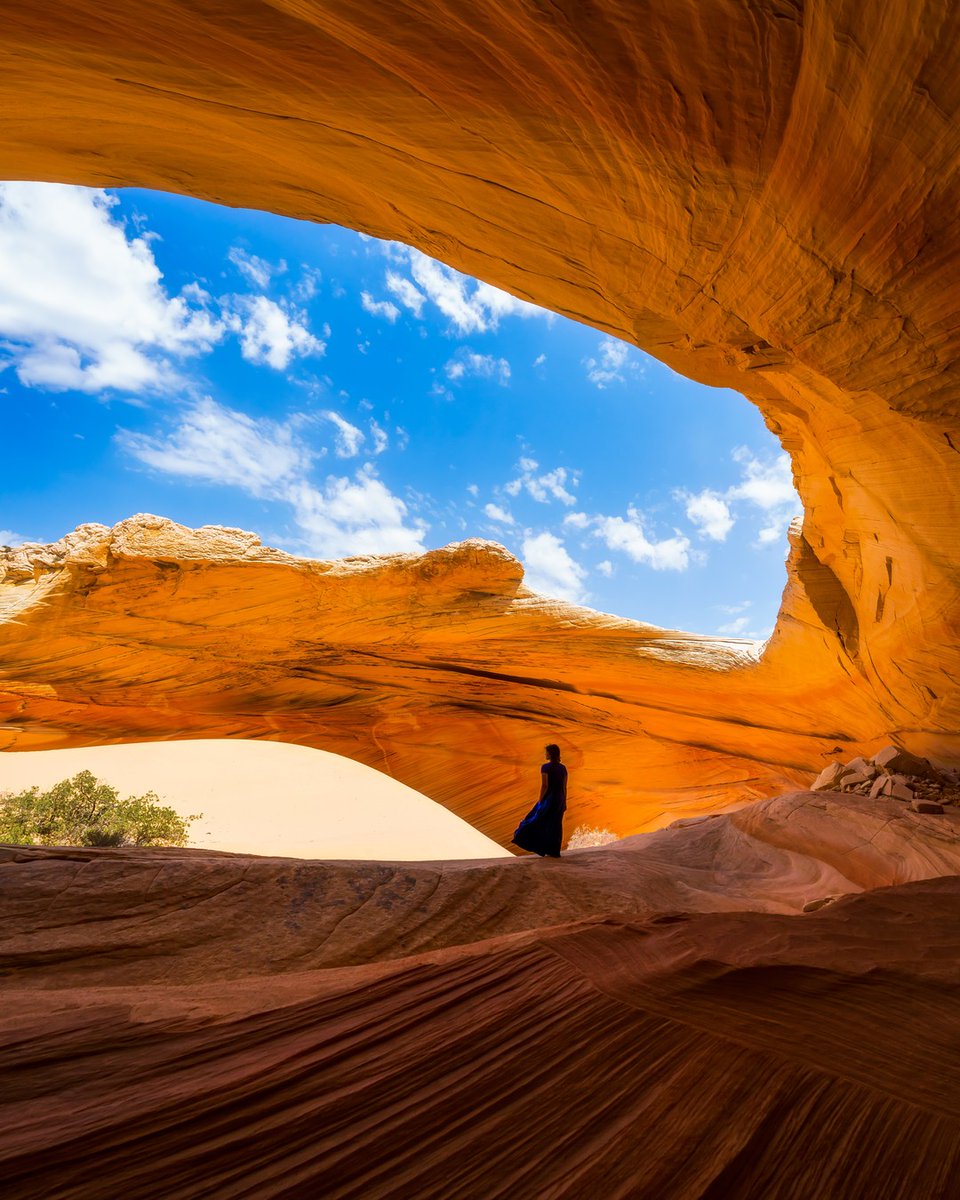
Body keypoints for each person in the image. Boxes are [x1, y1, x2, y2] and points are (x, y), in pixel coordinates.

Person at [512, 743, 567, 858]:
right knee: (556, 824)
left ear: (550, 754)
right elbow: (564, 786)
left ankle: (538, 846)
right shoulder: (563, 768)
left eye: (546, 752)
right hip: (560, 798)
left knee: (536, 820)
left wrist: (540, 801)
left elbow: (545, 785)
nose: (545, 754)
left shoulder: (545, 767)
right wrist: (564, 802)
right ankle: (554, 851)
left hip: (549, 799)